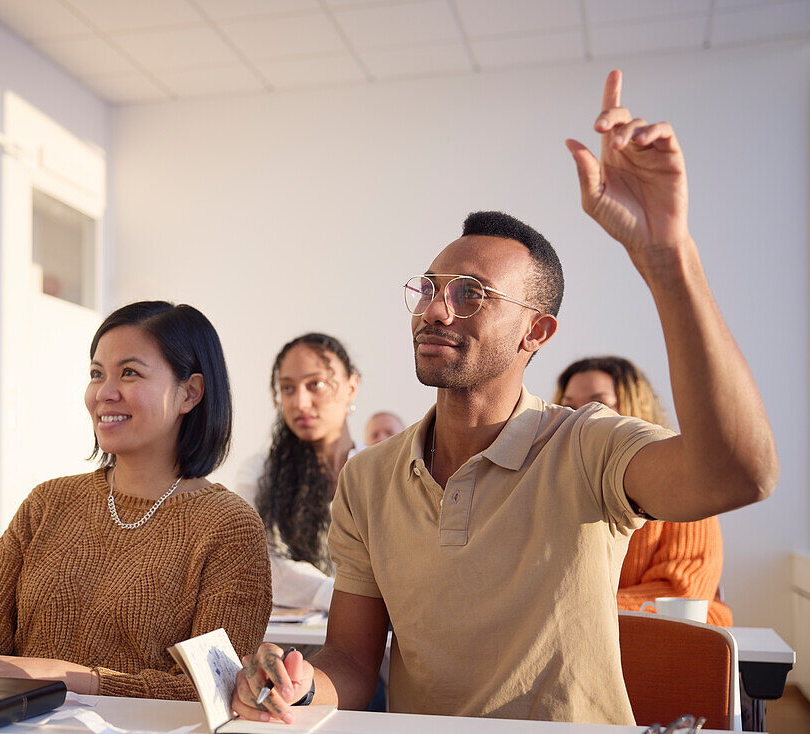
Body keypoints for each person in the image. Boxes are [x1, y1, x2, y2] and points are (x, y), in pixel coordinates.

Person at [233, 70, 777, 725]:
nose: (436, 309)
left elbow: (741, 473)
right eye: (431, 288)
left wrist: (668, 256)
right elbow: (351, 659)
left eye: (470, 294)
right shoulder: (369, 477)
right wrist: (299, 685)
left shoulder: (587, 444)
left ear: (536, 332)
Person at [0, 301, 272, 699]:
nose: (103, 392)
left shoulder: (230, 527)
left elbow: (213, 689)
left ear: (190, 393)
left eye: (129, 372)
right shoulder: (49, 502)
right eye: (97, 373)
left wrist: (66, 676)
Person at [555, 356, 732, 626]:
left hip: (656, 648)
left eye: (598, 405)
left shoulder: (680, 484)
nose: (580, 417)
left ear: (634, 407)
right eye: (568, 406)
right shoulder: (550, 483)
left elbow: (680, 595)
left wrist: (566, 605)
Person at [236, 333, 360, 612]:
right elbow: (258, 563)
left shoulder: (381, 470)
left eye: (316, 384)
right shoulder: (259, 473)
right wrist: (340, 596)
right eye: (288, 388)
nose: (300, 402)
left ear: (351, 387)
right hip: (287, 646)